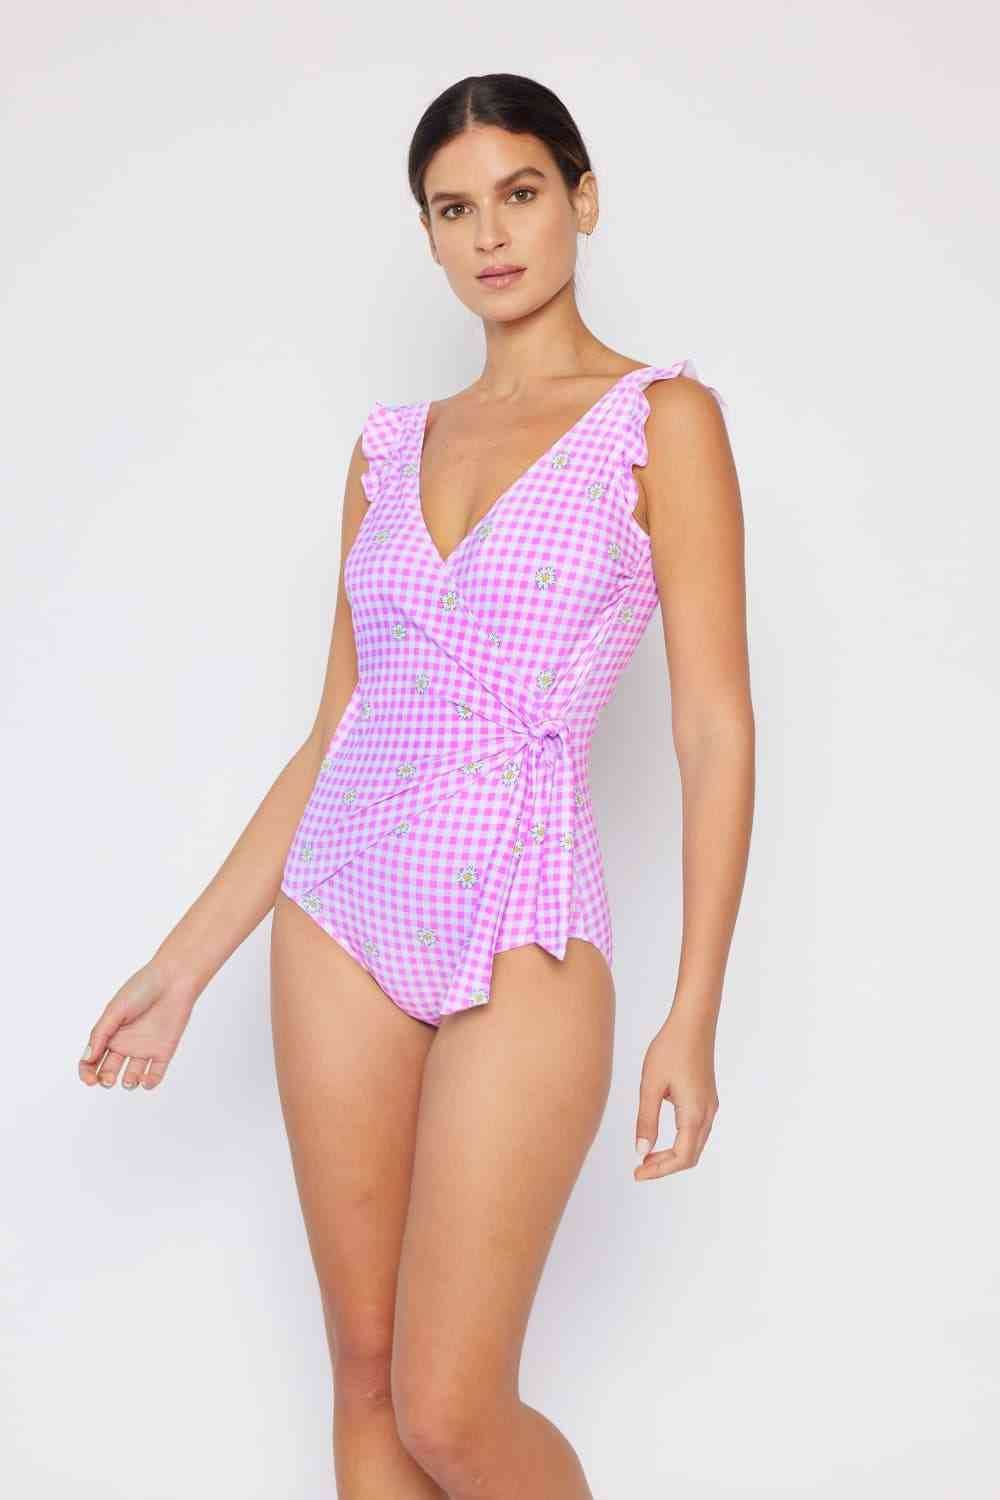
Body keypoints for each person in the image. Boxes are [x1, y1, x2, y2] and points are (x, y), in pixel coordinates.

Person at [78, 72, 753, 1500]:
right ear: (429, 234)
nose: (489, 235)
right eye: (453, 210)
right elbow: (340, 729)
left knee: (452, 1409)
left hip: (525, 918)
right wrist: (182, 966)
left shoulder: (662, 421)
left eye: (520, 193)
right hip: (340, 910)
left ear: (581, 200)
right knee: (371, 1380)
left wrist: (694, 1008)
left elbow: (711, 726)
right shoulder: (389, 449)